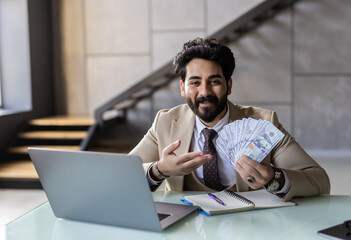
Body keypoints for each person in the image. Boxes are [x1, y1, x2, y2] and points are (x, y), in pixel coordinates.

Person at [129, 37, 330, 201]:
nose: (204, 92)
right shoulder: (165, 122)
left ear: (229, 85)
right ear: (182, 88)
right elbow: (120, 176)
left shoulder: (265, 123)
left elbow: (319, 180)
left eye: (214, 81)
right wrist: (159, 170)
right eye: (195, 82)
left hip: (248, 226)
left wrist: (273, 178)